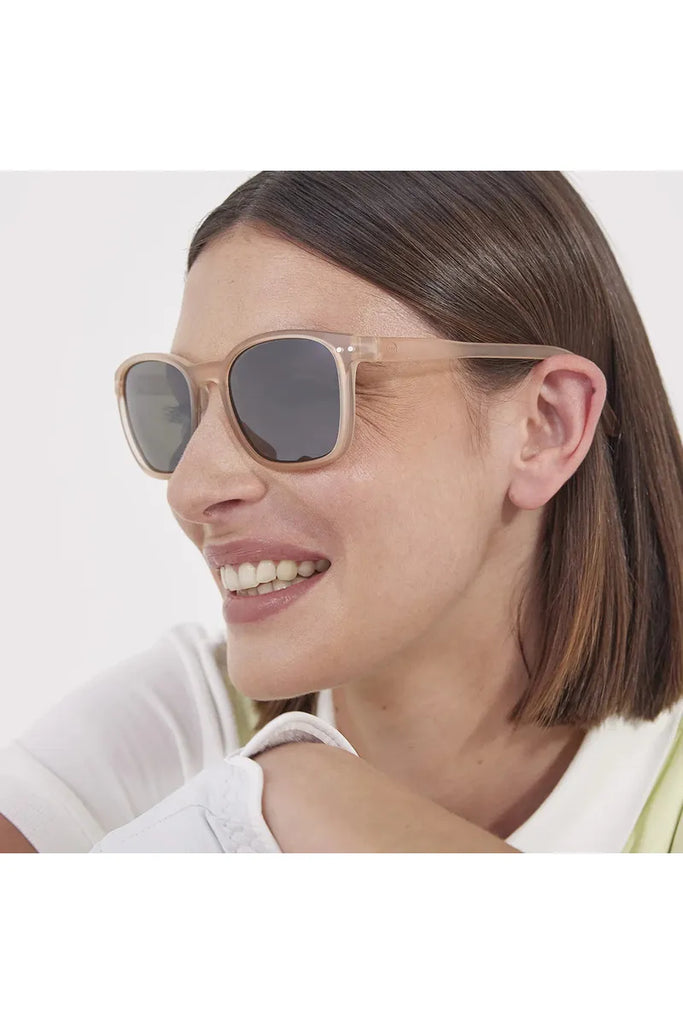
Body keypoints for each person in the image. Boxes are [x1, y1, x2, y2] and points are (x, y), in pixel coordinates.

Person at [1, 171, 681, 853]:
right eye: (176, 404)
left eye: (293, 392)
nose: (190, 486)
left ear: (544, 427)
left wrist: (289, 803)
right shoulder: (178, 729)